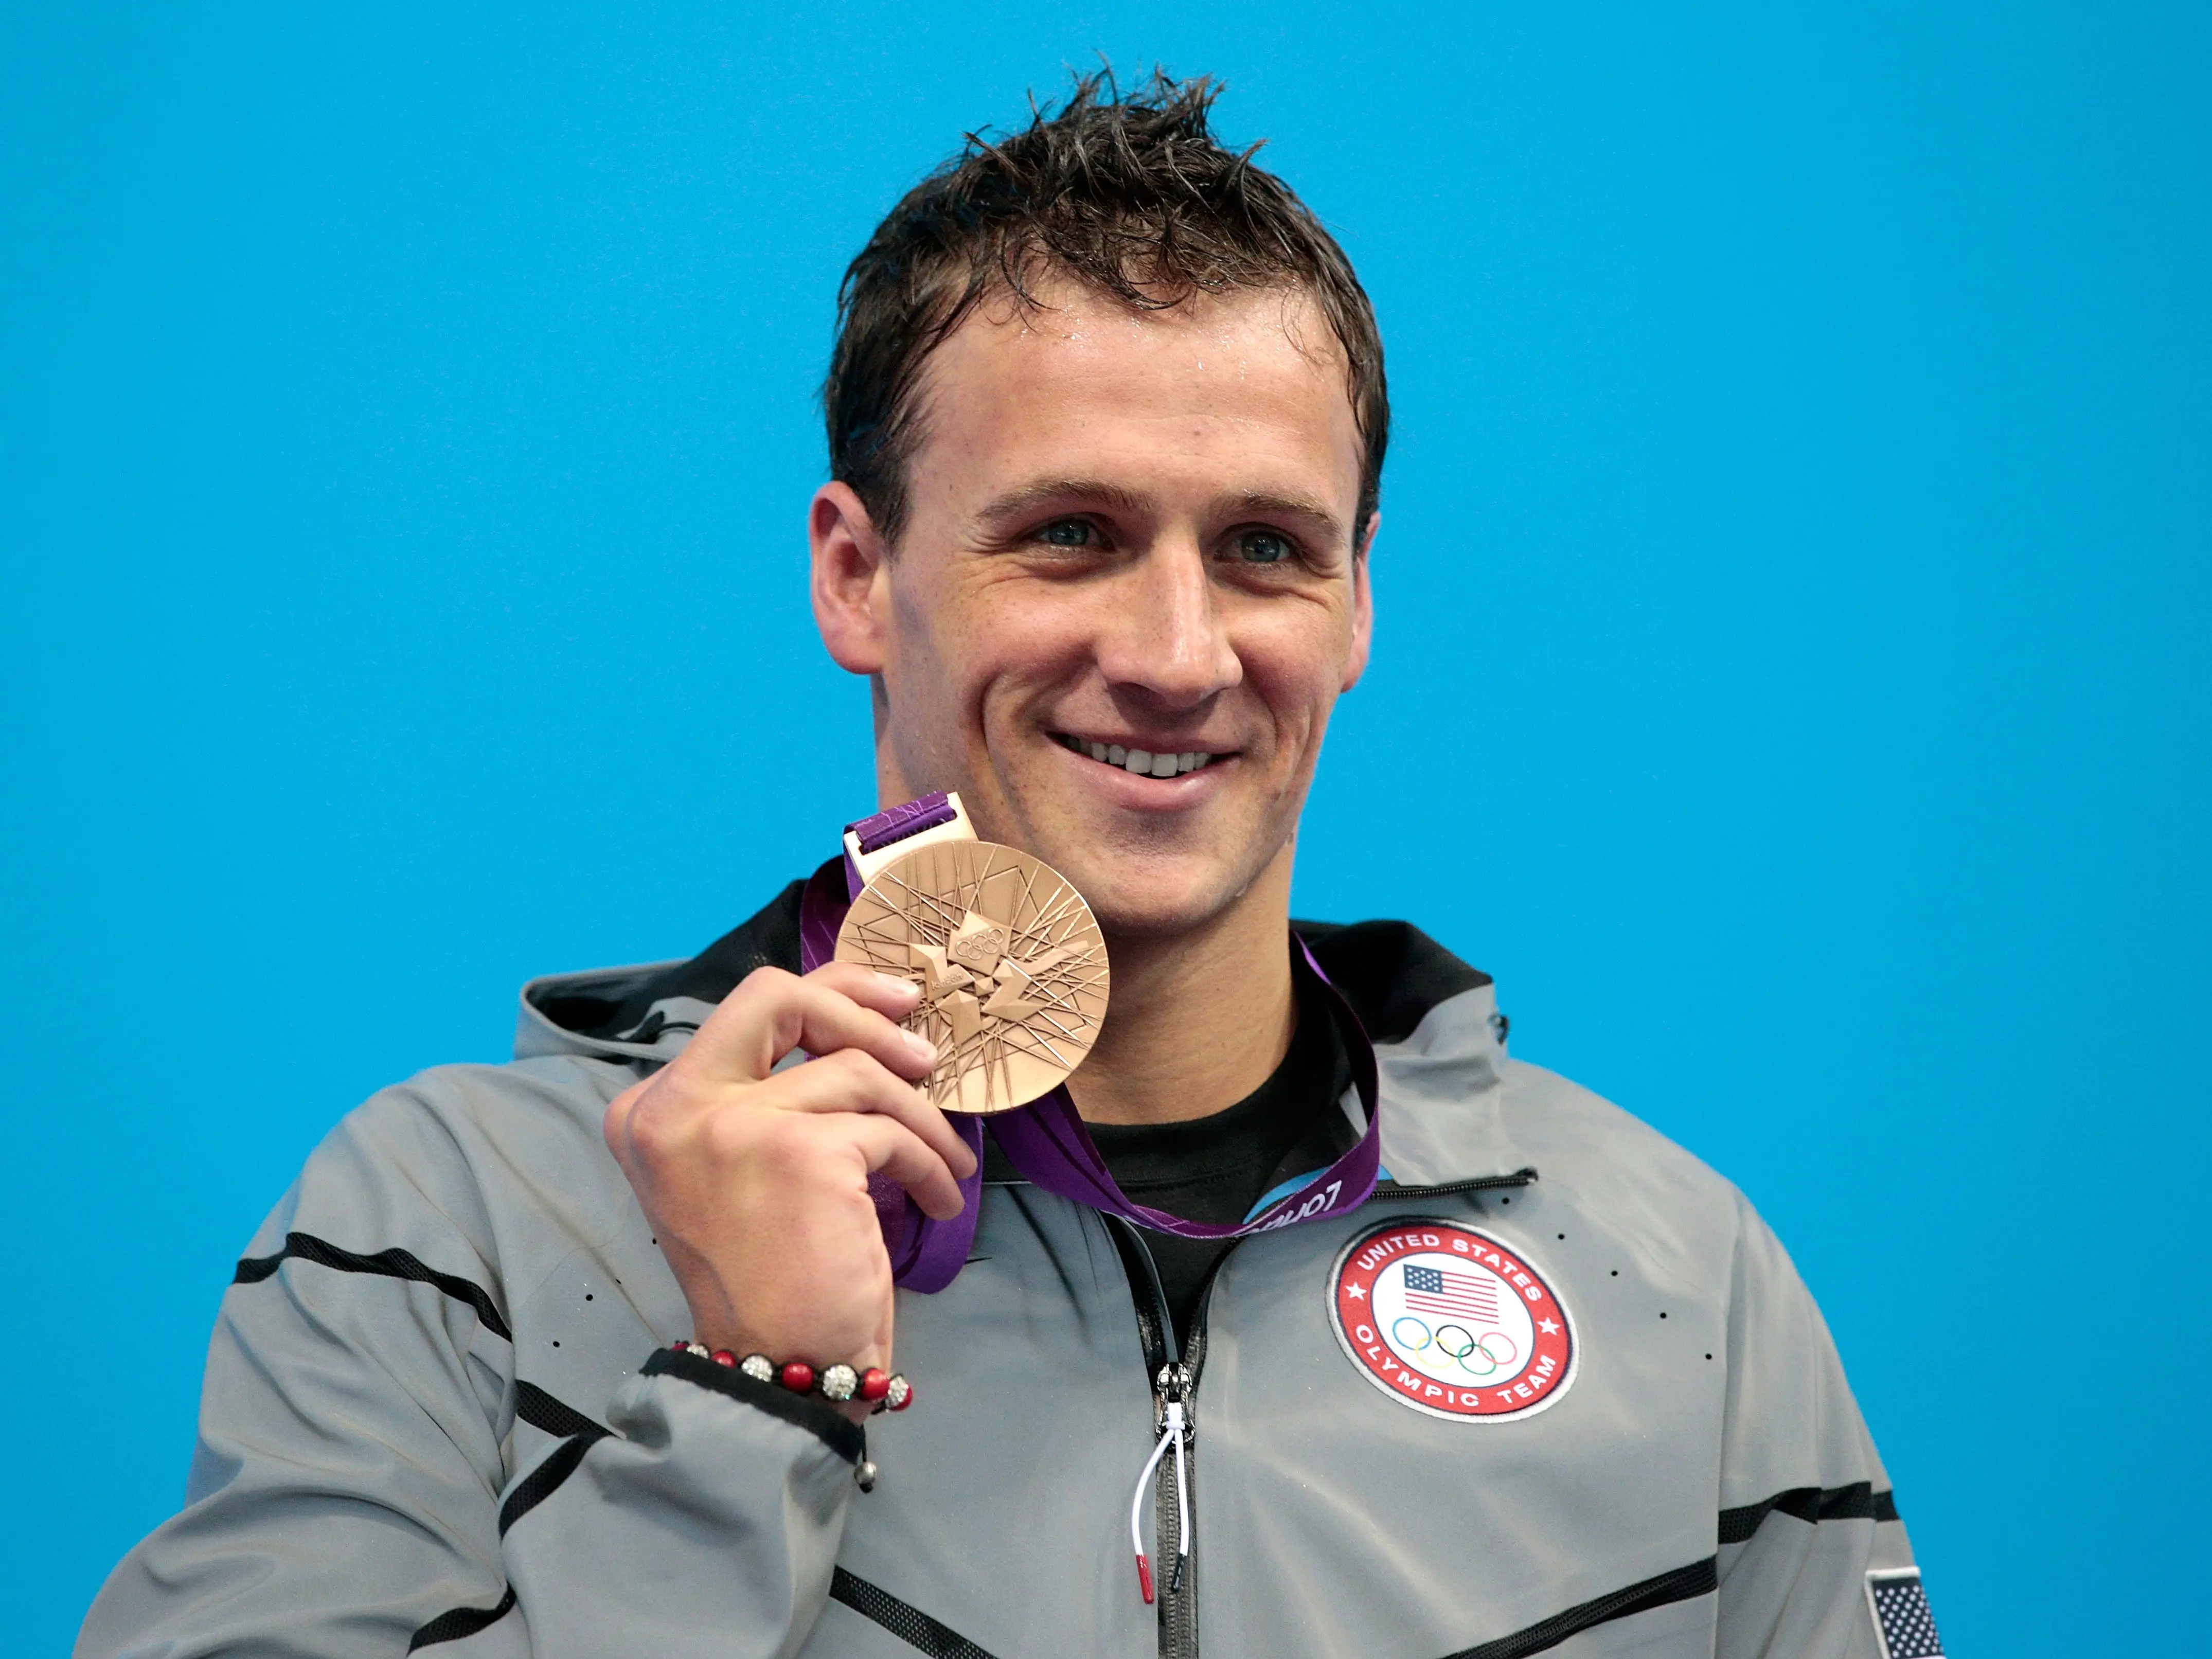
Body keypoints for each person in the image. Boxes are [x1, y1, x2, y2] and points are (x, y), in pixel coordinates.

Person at [80, 72, 1941, 1659]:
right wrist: (751, 1402)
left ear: (1359, 600)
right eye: (1068, 535)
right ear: (853, 577)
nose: (1177, 654)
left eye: (1266, 549)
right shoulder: (458, 1226)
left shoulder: (1680, 1275)